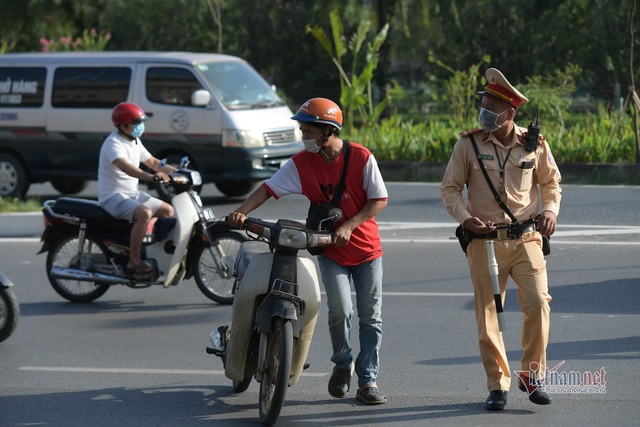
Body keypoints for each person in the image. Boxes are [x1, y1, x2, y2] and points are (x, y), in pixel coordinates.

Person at [227, 98, 389, 405]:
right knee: (340, 312)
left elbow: (379, 199)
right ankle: (342, 365)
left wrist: (351, 224)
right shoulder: (301, 163)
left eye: (309, 131)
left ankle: (368, 379)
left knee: (371, 318)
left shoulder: (361, 158)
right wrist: (240, 212)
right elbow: (268, 188)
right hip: (328, 249)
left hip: (367, 250)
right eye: (302, 129)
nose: (303, 136)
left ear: (328, 131)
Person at [440, 68, 562, 411]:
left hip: (526, 238)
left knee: (539, 304)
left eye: (492, 105)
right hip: (484, 242)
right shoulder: (468, 144)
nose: (485, 110)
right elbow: (450, 189)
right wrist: (465, 219)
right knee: (489, 315)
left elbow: (551, 183)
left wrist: (550, 210)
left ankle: (532, 377)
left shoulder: (534, 143)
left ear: (511, 112)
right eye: (484, 102)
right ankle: (498, 385)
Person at [98, 102, 176, 275]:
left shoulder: (135, 141)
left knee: (167, 211)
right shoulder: (113, 144)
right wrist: (151, 177)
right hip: (112, 196)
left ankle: (151, 251)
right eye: (136, 123)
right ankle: (134, 261)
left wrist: (175, 172)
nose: (140, 127)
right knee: (144, 214)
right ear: (123, 125)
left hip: (131, 194)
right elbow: (127, 167)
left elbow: (153, 162)